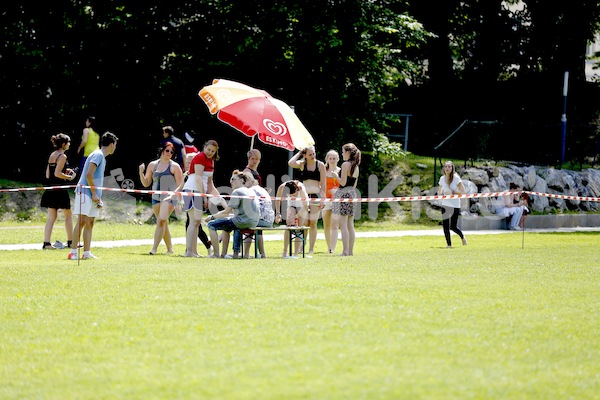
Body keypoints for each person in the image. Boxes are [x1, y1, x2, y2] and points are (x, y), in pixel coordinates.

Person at [68, 131, 118, 260]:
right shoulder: (98, 154)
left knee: (90, 222)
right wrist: (95, 194)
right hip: (85, 192)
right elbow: (89, 174)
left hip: (93, 195)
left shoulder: (101, 156)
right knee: (82, 221)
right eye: (115, 144)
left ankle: (87, 253)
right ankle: (73, 252)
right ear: (112, 144)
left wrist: (97, 196)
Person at [138, 142, 184, 255]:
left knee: (161, 220)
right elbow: (146, 183)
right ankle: (170, 250)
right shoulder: (153, 165)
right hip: (156, 198)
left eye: (172, 152)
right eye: (167, 150)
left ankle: (154, 249)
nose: (169, 153)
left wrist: (178, 199)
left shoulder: (175, 166)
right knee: (163, 223)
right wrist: (141, 172)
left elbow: (180, 185)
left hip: (169, 198)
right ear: (162, 150)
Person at [177, 140, 220, 257]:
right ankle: (189, 251)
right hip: (192, 190)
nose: (210, 152)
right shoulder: (200, 157)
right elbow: (198, 178)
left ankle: (194, 251)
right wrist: (204, 196)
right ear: (204, 147)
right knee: (194, 221)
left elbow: (210, 183)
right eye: (208, 149)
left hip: (200, 192)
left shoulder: (211, 161)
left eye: (213, 151)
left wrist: (215, 198)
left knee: (196, 222)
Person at [205, 170, 259, 258]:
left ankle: (215, 254)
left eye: (233, 179)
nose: (231, 182)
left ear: (241, 181)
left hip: (243, 221)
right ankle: (224, 254)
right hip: (253, 222)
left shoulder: (237, 192)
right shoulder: (250, 191)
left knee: (211, 224)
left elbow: (226, 212)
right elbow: (234, 213)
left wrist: (212, 217)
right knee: (227, 227)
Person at [41, 133, 77, 250]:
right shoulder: (62, 156)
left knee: (51, 217)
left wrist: (64, 172)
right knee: (68, 216)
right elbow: (57, 173)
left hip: (51, 188)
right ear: (64, 144)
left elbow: (48, 174)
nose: (70, 144)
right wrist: (69, 177)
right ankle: (71, 241)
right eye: (69, 142)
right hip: (60, 190)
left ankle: (46, 243)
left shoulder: (52, 155)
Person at [288, 145, 326, 255]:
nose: (313, 156)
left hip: (316, 195)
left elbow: (323, 184)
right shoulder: (302, 164)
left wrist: (323, 199)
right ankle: (301, 246)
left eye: (314, 153)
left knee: (313, 222)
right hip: (304, 195)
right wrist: (300, 153)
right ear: (305, 155)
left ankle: (311, 248)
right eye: (310, 154)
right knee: (303, 222)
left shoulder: (320, 165)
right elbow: (291, 162)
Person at [232, 171, 274, 258]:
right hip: (269, 220)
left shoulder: (250, 190)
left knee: (240, 224)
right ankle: (262, 254)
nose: (242, 184)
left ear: (249, 181)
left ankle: (240, 254)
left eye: (243, 181)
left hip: (260, 219)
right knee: (254, 227)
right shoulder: (260, 189)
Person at [330, 143, 361, 256]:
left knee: (343, 225)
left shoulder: (345, 165)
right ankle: (350, 252)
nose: (342, 154)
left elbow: (342, 182)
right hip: (352, 194)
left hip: (343, 194)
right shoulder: (356, 166)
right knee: (350, 225)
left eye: (343, 152)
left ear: (348, 152)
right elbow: (354, 185)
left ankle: (345, 251)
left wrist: (335, 176)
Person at [274, 180, 310, 258]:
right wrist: (278, 213)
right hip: (291, 205)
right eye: (291, 196)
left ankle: (296, 254)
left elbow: (306, 206)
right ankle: (285, 252)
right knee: (289, 225)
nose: (293, 197)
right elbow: (278, 199)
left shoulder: (301, 189)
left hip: (302, 206)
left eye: (294, 195)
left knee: (298, 228)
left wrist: (297, 216)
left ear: (297, 190)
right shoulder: (282, 187)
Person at [437, 160, 468, 247]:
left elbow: (463, 192)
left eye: (449, 166)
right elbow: (439, 191)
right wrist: (440, 195)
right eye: (446, 166)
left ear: (452, 168)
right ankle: (449, 245)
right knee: (445, 226)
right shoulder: (442, 179)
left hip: (455, 205)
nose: (447, 168)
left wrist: (453, 192)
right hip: (445, 205)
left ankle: (462, 237)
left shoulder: (456, 178)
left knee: (453, 226)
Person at [321, 149, 341, 254]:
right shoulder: (323, 170)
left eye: (334, 158)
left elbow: (343, 184)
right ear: (327, 159)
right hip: (325, 200)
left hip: (336, 201)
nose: (332, 160)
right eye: (330, 158)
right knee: (326, 225)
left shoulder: (340, 171)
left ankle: (332, 248)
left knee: (334, 224)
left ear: (337, 159)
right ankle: (329, 246)